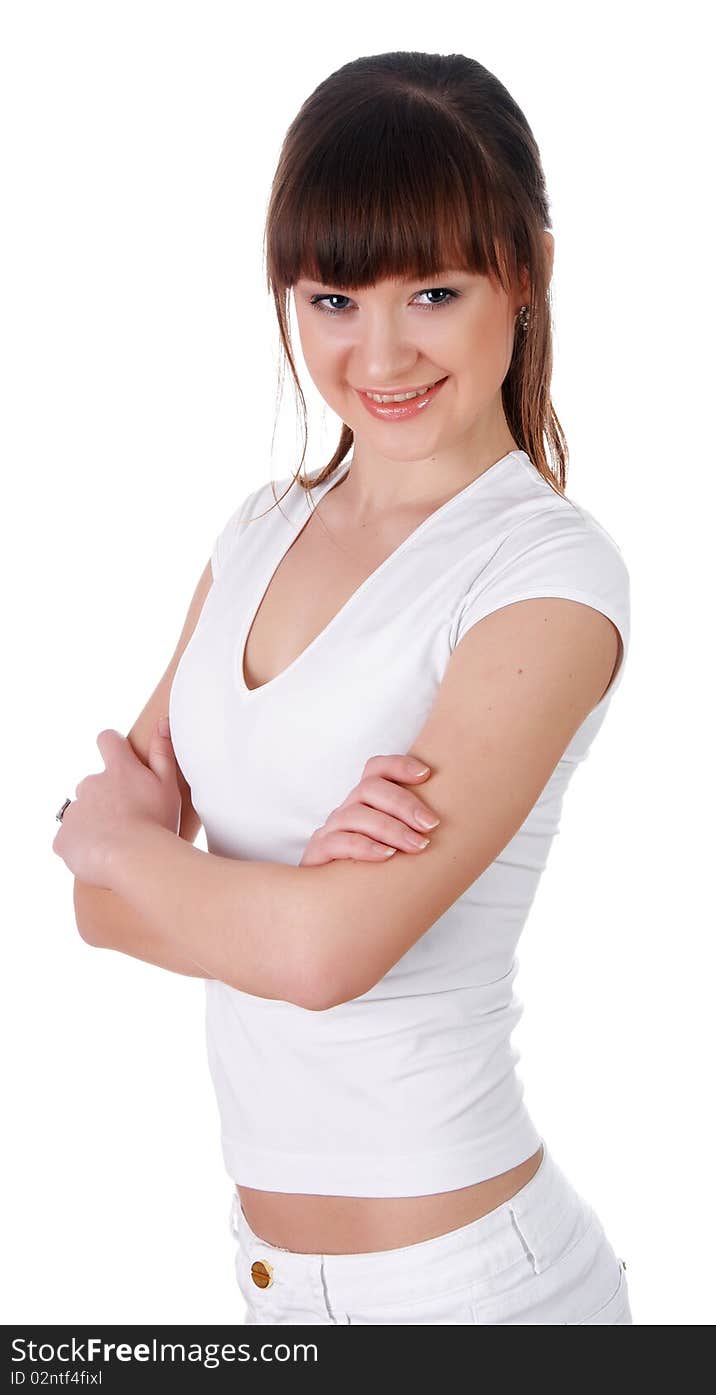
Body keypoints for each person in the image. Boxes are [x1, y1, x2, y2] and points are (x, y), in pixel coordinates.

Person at [61, 51, 633, 1325]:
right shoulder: (259, 529)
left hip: (477, 1288)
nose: (379, 353)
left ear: (525, 273)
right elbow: (99, 912)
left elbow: (323, 956)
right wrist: (263, 900)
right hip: (272, 1287)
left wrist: (124, 843)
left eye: (432, 291)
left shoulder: (544, 577)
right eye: (331, 299)